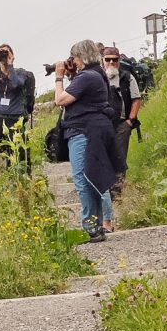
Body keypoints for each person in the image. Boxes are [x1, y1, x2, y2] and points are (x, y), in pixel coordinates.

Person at [53, 40, 123, 242]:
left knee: (83, 180)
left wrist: (59, 77)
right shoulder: (96, 74)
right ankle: (97, 224)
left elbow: (60, 100)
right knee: (92, 177)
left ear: (81, 57)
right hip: (94, 130)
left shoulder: (87, 77)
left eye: (74, 58)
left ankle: (90, 225)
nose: (73, 62)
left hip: (83, 132)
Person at [0, 44, 35, 171]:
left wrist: (9, 64)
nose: (4, 56)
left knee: (20, 157)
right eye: (2, 53)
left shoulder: (21, 73)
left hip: (15, 121)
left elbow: (15, 84)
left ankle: (22, 181)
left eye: (6, 53)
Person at [102, 45, 142, 190]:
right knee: (103, 156)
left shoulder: (127, 76)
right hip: (102, 125)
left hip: (121, 124)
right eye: (108, 60)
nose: (111, 63)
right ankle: (106, 189)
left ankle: (118, 190)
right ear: (102, 60)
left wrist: (130, 121)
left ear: (119, 60)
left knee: (119, 156)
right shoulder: (98, 77)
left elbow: (136, 99)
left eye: (114, 60)